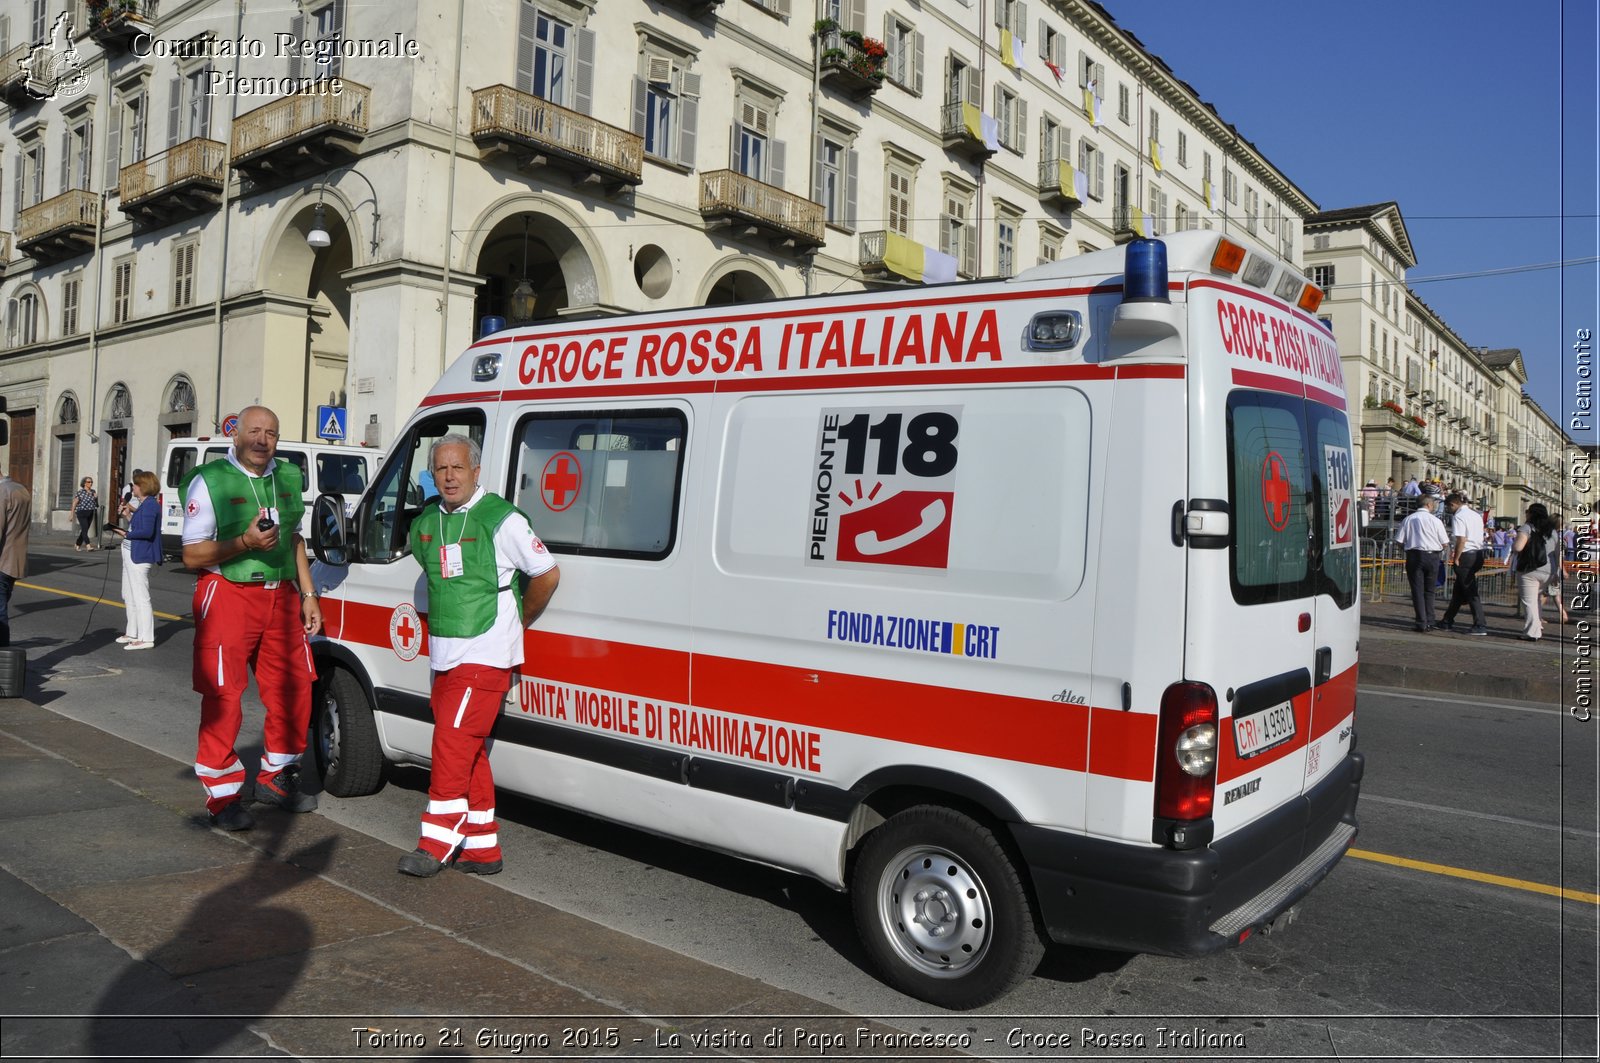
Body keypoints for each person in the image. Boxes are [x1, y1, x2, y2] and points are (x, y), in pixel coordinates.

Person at [397, 433, 560, 877]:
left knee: (450, 744)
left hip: (486, 652)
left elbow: (546, 574)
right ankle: (482, 848)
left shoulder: (501, 519)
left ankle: (436, 842)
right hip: (444, 652)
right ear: (432, 476)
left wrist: (517, 622)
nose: (449, 477)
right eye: (441, 470)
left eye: (458, 468)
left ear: (476, 471)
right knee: (469, 749)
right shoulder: (428, 519)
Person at [181, 406, 322, 831]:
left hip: (280, 594)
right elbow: (191, 555)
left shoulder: (291, 477)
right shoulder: (210, 481)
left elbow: (295, 537)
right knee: (224, 695)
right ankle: (223, 796)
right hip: (227, 593)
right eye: (255, 432)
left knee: (294, 687)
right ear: (236, 435)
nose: (263, 440)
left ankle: (276, 776)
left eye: (271, 433)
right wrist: (243, 541)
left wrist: (308, 594)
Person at [110, 469, 161, 650]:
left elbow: (146, 532)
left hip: (140, 555)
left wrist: (126, 533)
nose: (133, 487)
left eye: (136, 485)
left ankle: (146, 638)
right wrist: (128, 516)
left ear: (143, 487)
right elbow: (139, 526)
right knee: (128, 594)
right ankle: (132, 632)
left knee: (141, 597)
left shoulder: (151, 506)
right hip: (131, 553)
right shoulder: (144, 504)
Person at [1395, 493, 1448, 631]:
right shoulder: (1435, 520)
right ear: (1429, 505)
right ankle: (1430, 620)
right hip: (1432, 556)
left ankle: (1421, 622)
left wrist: (1407, 549)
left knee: (1417, 590)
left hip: (1414, 555)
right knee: (1430, 590)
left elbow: (1399, 540)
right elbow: (1445, 542)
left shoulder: (1408, 519)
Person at [1438, 492, 1488, 635]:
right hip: (1478, 553)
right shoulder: (1475, 514)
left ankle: (1480, 624)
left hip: (1466, 554)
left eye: (1448, 507)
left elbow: (1461, 539)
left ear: (1453, 504)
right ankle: (1447, 620)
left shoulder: (1459, 516)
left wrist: (1456, 557)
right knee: (1460, 590)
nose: (1448, 510)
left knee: (1470, 591)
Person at [1511, 504, 1560, 641]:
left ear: (1531, 514)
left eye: (1527, 512)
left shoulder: (1527, 528)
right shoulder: (1553, 531)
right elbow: (1557, 554)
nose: (1526, 514)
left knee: (1529, 602)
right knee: (1536, 600)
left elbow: (1518, 547)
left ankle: (1532, 633)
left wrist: (1514, 543)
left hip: (1530, 569)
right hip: (1549, 570)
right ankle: (1537, 626)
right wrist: (1556, 572)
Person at [0, 472, 30, 648]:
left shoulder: (2, 492)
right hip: (15, 561)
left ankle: (3, 659)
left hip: (2, 561)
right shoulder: (20, 489)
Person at [73, 477, 98, 551]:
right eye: (89, 482)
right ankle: (88, 545)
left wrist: (96, 498)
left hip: (90, 512)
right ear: (84, 483)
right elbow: (74, 503)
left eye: (91, 482)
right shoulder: (80, 492)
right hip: (81, 512)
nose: (91, 483)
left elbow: (96, 504)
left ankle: (77, 544)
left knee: (85, 530)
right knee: (84, 529)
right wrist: (71, 514)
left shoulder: (93, 491)